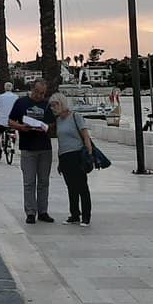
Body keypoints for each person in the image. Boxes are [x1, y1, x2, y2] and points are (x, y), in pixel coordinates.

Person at [8, 79, 55, 224]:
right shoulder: (21, 103)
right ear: (32, 89)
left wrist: (46, 127)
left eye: (42, 93)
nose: (40, 96)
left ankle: (43, 211)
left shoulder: (47, 105)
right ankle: (30, 212)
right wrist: (21, 127)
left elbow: (53, 123)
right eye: (37, 92)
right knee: (29, 182)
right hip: (28, 147)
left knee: (44, 182)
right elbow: (10, 121)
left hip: (44, 147)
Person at [49, 93, 93, 227]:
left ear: (61, 103)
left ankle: (86, 216)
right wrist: (59, 160)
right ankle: (74, 214)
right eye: (51, 105)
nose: (52, 108)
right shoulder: (58, 120)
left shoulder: (75, 117)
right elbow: (61, 140)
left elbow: (85, 136)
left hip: (77, 155)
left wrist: (89, 154)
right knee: (71, 187)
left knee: (82, 187)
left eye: (55, 105)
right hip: (65, 156)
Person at [0, 82, 18, 161]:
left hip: (2, 122)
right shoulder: (16, 97)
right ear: (12, 88)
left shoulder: (1, 97)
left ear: (4, 88)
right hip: (13, 121)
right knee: (13, 132)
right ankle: (12, 144)